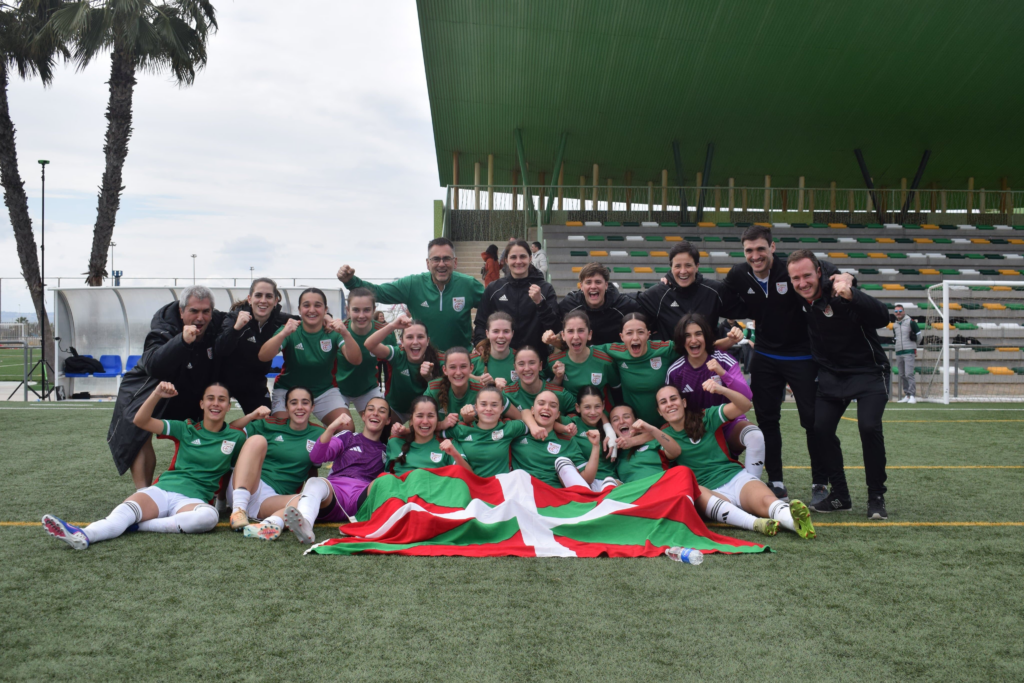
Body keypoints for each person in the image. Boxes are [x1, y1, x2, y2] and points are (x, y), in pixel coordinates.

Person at [721, 224, 855, 504]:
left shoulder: (790, 270)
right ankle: (776, 481)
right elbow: (717, 294)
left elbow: (828, 270)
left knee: (813, 422)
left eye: (760, 248)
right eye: (749, 250)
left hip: (802, 356)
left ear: (772, 247)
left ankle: (820, 481)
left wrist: (845, 277)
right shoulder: (738, 274)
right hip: (766, 356)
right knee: (768, 420)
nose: (755, 255)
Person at [43, 381, 249, 549]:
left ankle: (139, 526)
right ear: (202, 404)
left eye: (222, 400)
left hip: (193, 499)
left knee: (208, 518)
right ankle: (83, 535)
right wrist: (157, 393)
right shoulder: (185, 428)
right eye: (210, 398)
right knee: (123, 514)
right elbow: (141, 421)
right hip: (163, 490)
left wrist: (223, 505)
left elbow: (231, 474)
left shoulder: (236, 437)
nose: (216, 404)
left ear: (229, 407)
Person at [787, 250, 891, 520]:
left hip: (867, 371)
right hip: (832, 375)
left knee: (868, 427)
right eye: (796, 278)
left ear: (819, 272)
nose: (802, 283)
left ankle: (876, 496)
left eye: (807, 275)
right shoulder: (800, 299)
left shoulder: (840, 292)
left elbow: (882, 317)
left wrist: (851, 292)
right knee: (819, 428)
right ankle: (841, 495)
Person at [108, 285, 226, 489]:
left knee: (209, 431)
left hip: (191, 389)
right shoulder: (163, 329)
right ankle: (143, 494)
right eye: (193, 311)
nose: (200, 317)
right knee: (138, 431)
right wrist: (181, 341)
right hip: (151, 388)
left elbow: (245, 316)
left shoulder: (217, 322)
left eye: (206, 311)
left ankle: (206, 490)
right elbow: (155, 365)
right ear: (181, 312)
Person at [656, 384, 809, 539]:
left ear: (684, 402)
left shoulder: (706, 417)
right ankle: (756, 524)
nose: (669, 404)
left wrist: (722, 390)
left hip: (735, 478)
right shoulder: (661, 436)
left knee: (767, 500)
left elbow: (745, 405)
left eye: (673, 399)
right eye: (663, 402)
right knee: (694, 490)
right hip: (708, 491)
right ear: (659, 411)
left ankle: (795, 522)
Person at [251, 396, 392, 544]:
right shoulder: (347, 437)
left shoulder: (388, 450)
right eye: (371, 409)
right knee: (315, 484)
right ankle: (288, 524)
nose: (375, 413)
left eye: (381, 411)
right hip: (334, 495)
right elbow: (317, 457)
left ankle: (281, 522)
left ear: (388, 420)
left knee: (383, 481)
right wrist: (332, 427)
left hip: (362, 500)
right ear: (363, 416)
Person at [665, 313, 765, 480]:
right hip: (695, 429)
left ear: (706, 336)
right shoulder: (676, 371)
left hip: (728, 424)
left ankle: (753, 484)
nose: (693, 340)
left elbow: (747, 396)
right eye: (687, 335)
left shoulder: (723, 359)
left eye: (698, 334)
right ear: (681, 340)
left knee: (755, 435)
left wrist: (723, 374)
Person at [337, 237, 484, 351]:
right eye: (436, 259)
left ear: (455, 262)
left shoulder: (468, 284)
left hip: (459, 362)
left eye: (446, 259)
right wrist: (351, 282)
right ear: (427, 263)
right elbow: (380, 293)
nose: (441, 264)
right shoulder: (413, 284)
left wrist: (481, 340)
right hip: (423, 359)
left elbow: (492, 308)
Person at [223, 386, 326, 536]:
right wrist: (251, 416)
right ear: (286, 407)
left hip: (273, 500)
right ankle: (238, 511)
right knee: (257, 440)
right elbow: (229, 431)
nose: (299, 407)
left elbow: (313, 470)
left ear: (312, 407)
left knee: (308, 499)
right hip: (248, 485)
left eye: (305, 402)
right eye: (293, 402)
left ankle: (268, 525)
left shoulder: (319, 434)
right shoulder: (270, 424)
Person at [258, 288, 361, 425]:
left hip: (323, 391)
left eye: (317, 305)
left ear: (325, 310)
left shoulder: (333, 332)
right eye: (306, 305)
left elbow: (356, 360)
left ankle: (322, 443)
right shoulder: (290, 329)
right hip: (288, 390)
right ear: (299, 309)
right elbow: (263, 356)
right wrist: (283, 334)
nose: (312, 310)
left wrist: (345, 333)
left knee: (346, 427)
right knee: (280, 427)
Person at [216, 278, 296, 414]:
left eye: (269, 296)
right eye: (258, 295)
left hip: (254, 383)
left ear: (276, 301)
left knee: (264, 422)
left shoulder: (279, 320)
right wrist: (236, 329)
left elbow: (307, 318)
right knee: (211, 425)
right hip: (224, 381)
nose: (263, 300)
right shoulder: (234, 318)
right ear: (249, 299)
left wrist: (327, 317)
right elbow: (220, 349)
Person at [636, 241, 737, 341]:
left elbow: (746, 307)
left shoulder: (714, 290)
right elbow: (626, 304)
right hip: (672, 357)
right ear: (671, 267)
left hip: (707, 356)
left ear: (697, 266)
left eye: (688, 265)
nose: (683, 271)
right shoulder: (659, 293)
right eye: (678, 266)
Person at [472, 239, 559, 354]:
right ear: (506, 260)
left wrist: (541, 303)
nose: (518, 261)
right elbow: (481, 323)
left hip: (535, 360)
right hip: (501, 359)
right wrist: (481, 344)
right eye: (513, 257)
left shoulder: (545, 289)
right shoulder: (494, 289)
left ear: (530, 258)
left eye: (523, 256)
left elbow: (556, 327)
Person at [595, 313, 677, 426]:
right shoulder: (616, 351)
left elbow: (691, 344)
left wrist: (711, 362)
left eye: (640, 332)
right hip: (633, 427)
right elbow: (585, 351)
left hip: (667, 425)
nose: (635, 337)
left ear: (648, 334)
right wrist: (561, 342)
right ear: (621, 336)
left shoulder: (664, 349)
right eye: (629, 333)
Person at [510, 390, 603, 488]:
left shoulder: (567, 440)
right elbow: (523, 412)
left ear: (557, 414)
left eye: (553, 406)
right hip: (526, 493)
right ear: (532, 410)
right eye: (541, 403)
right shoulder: (519, 431)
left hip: (556, 496)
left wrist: (596, 446)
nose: (546, 408)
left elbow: (587, 479)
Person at [364, 315, 443, 421]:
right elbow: (369, 344)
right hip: (396, 409)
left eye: (420, 337)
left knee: (423, 434)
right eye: (409, 337)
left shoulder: (438, 358)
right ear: (402, 341)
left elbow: (455, 382)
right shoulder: (398, 354)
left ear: (427, 340)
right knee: (381, 430)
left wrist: (429, 377)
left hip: (423, 412)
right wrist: (392, 326)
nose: (415, 342)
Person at [441, 385, 528, 477]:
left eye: (494, 405)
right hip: (472, 486)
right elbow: (432, 431)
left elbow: (530, 419)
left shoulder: (509, 427)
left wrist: (534, 427)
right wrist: (442, 424)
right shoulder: (461, 429)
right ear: (476, 407)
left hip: (501, 487)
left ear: (502, 409)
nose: (488, 409)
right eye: (483, 404)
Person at [334, 287, 396, 416]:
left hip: (368, 389)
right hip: (337, 390)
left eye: (367, 310)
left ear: (374, 310)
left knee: (382, 425)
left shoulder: (384, 333)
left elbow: (395, 365)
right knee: (341, 428)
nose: (361, 315)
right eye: (356, 310)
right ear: (348, 310)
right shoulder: (337, 331)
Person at [556, 262, 640, 346]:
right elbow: (554, 327)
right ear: (581, 286)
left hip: (615, 357)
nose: (593, 286)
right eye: (588, 282)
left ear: (606, 285)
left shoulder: (624, 305)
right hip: (580, 357)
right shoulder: (569, 304)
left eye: (598, 282)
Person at [544, 311, 620, 402]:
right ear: (563, 336)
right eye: (570, 331)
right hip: (568, 414)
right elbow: (545, 390)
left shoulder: (605, 361)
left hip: (596, 414)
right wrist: (557, 378)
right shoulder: (553, 362)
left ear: (589, 334)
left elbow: (617, 392)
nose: (576, 336)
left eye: (581, 330)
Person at [384, 396, 469, 475]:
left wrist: (454, 453)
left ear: (437, 419)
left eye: (430, 416)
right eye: (420, 416)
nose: (425, 421)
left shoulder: (449, 444)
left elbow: (467, 476)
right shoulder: (395, 442)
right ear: (411, 420)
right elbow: (387, 481)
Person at [560, 386, 619, 491]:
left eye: (597, 406)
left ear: (603, 405)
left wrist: (610, 430)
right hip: (584, 483)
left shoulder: (612, 423)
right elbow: (547, 419)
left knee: (610, 483)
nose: (593, 412)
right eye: (587, 407)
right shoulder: (573, 423)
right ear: (577, 407)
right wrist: (563, 427)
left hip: (611, 481)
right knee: (561, 462)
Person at [607, 404, 677, 484]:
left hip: (661, 486)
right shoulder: (613, 453)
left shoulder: (653, 441)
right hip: (636, 493)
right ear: (611, 427)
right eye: (615, 419)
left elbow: (675, 452)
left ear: (636, 421)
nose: (622, 421)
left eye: (626, 417)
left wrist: (652, 430)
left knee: (683, 471)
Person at [503, 346, 577, 416]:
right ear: (515, 368)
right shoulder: (508, 394)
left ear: (540, 366)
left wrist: (556, 421)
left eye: (532, 363)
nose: (527, 368)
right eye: (521, 364)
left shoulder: (560, 394)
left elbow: (579, 413)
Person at [471, 312, 517, 386]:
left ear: (512, 334)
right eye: (496, 331)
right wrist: (476, 379)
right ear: (487, 334)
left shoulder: (521, 360)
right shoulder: (474, 360)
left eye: (506, 331)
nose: (501, 336)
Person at [892, 303, 921, 404]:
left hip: (909, 351)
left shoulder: (911, 322)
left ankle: (913, 395)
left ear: (903, 311)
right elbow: (895, 338)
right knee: (902, 374)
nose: (898, 313)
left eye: (900, 311)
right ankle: (907, 395)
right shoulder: (895, 325)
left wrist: (914, 346)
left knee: (909, 373)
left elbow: (919, 335)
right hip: (899, 351)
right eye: (896, 311)